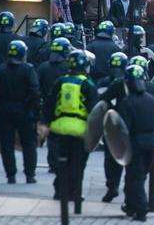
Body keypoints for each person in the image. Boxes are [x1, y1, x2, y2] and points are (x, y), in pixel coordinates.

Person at [44, 50, 98, 200]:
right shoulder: (87, 84)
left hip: (60, 128)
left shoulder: (60, 81)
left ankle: (59, 191)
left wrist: (46, 122)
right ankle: (74, 192)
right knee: (78, 164)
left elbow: (49, 103)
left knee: (62, 161)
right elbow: (94, 110)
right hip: (80, 130)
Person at [0, 40, 41, 184]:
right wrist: (34, 110)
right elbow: (35, 92)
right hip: (24, 111)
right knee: (28, 143)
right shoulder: (28, 69)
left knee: (6, 144)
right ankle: (30, 175)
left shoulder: (1, 70)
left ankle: (11, 175)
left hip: (5, 110)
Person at [117, 65, 154, 221]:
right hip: (152, 143)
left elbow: (124, 128)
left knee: (135, 177)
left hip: (136, 143)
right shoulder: (151, 100)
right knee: (138, 177)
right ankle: (130, 206)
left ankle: (141, 210)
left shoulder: (127, 102)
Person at [97, 52, 129, 203]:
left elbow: (99, 101)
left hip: (111, 125)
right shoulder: (128, 84)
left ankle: (112, 185)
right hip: (123, 125)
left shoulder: (105, 82)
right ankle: (117, 187)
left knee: (111, 157)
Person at [37, 37, 72, 172]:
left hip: (48, 105)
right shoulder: (68, 67)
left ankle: (52, 163)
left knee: (52, 136)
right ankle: (63, 160)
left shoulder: (43, 67)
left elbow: (37, 86)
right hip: (67, 105)